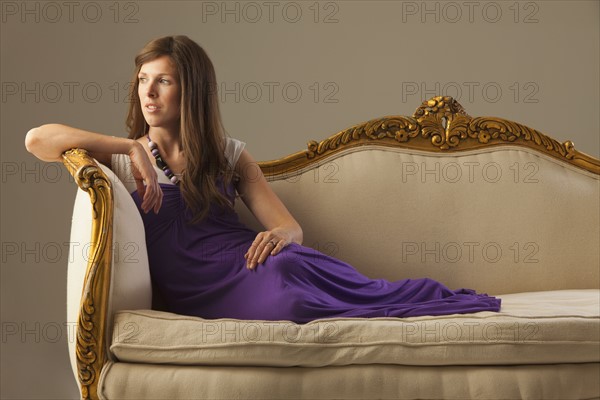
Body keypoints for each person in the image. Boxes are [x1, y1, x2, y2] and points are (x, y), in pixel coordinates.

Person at [25, 35, 501, 324]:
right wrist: (127, 145)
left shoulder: (229, 154)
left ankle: (408, 298)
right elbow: (36, 139)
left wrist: (277, 236)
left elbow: (290, 228)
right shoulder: (126, 160)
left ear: (190, 89)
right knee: (289, 303)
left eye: (163, 80)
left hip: (251, 261)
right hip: (194, 286)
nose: (148, 91)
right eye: (142, 79)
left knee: (292, 269)